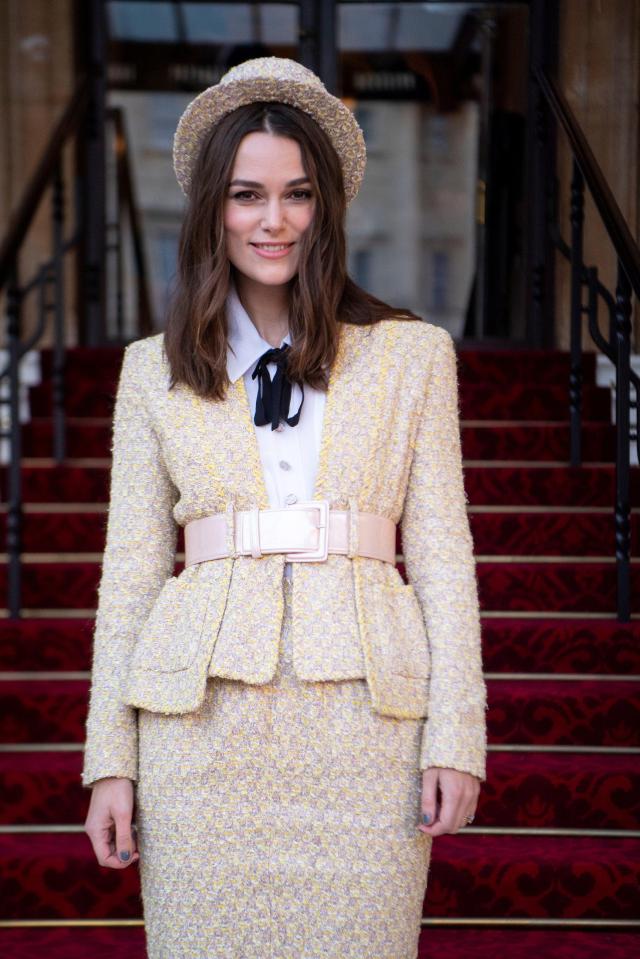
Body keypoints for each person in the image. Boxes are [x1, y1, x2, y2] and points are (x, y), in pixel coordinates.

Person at [82, 56, 487, 959]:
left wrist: (458, 734)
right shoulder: (151, 370)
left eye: (297, 195)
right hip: (199, 731)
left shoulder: (413, 356)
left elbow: (446, 557)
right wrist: (110, 760)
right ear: (210, 210)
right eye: (246, 195)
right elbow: (130, 572)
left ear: (327, 205)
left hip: (366, 729)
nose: (274, 222)